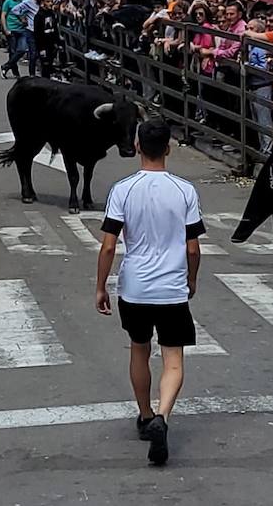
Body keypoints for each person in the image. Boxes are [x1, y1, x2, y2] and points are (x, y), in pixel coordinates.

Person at [94, 119, 204, 467]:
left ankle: (144, 415)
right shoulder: (185, 191)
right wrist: (192, 279)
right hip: (171, 288)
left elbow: (109, 246)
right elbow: (193, 249)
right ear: (169, 148)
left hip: (135, 287)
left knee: (139, 350)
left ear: (138, 146)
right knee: (173, 359)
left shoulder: (122, 190)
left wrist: (100, 286)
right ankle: (164, 416)